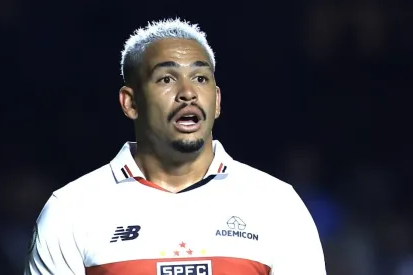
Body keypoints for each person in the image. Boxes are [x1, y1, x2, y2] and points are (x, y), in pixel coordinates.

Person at [24, 18, 327, 275]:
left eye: (200, 77)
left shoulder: (276, 204)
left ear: (217, 100)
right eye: (166, 78)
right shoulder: (71, 211)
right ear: (130, 102)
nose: (188, 93)